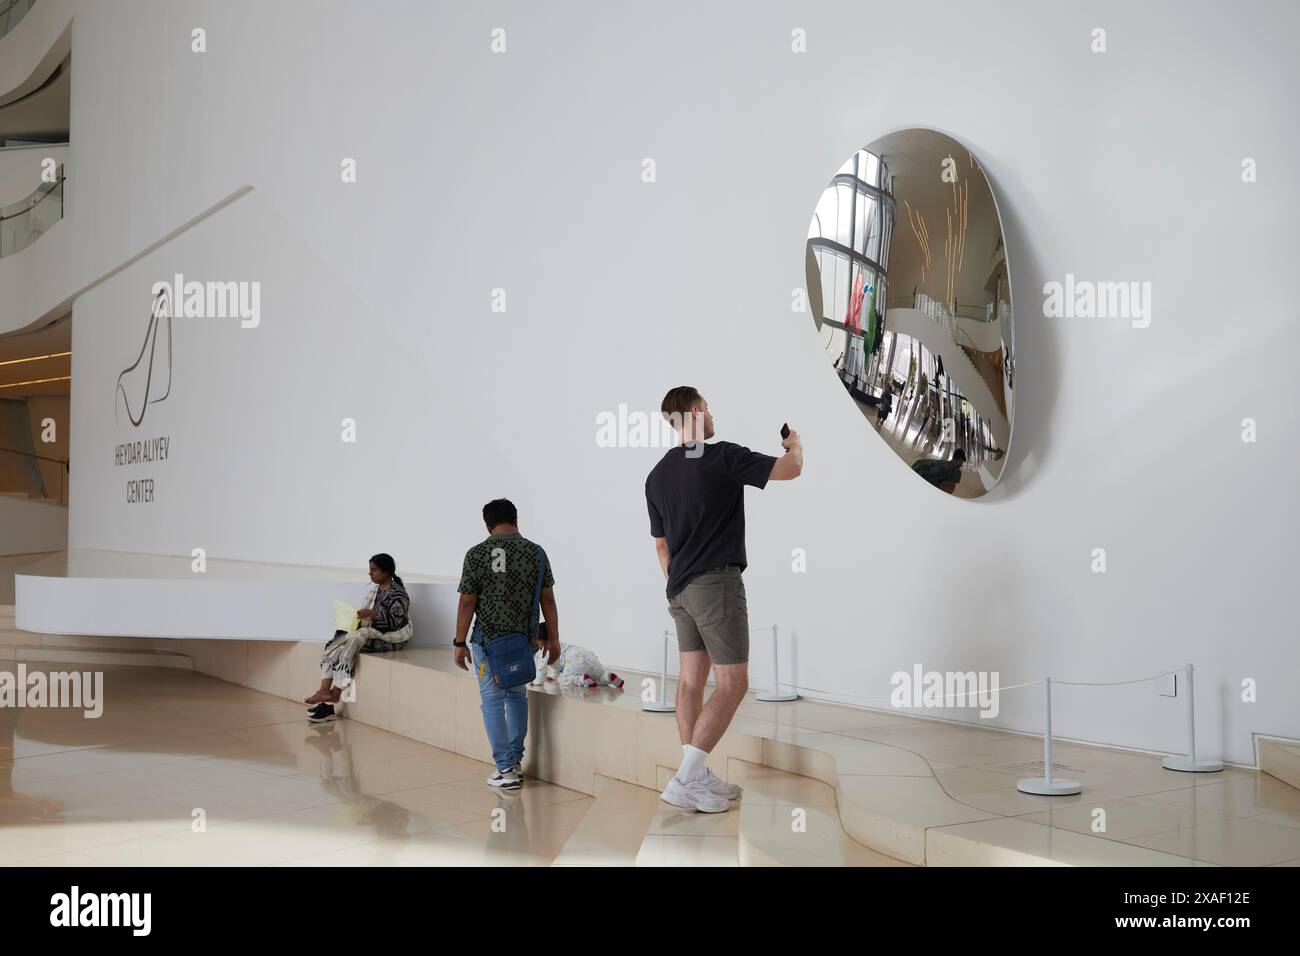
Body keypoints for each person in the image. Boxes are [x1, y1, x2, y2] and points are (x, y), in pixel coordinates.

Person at [645, 387, 803, 813]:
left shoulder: (656, 476)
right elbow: (791, 470)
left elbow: (662, 547)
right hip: (716, 585)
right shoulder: (721, 456)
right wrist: (794, 443)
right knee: (734, 683)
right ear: (695, 412)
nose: (712, 413)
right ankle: (686, 778)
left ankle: (693, 774)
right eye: (708, 407)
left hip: (678, 590)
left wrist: (679, 584)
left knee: (691, 682)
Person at [454, 498, 560, 790]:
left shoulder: (476, 555)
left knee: (492, 701)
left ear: (487, 525)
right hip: (524, 642)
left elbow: (467, 603)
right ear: (516, 520)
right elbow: (547, 600)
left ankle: (504, 768)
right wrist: (554, 638)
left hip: (487, 642)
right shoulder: (536, 554)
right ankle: (514, 761)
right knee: (516, 697)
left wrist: (459, 641)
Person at [305, 553, 412, 723]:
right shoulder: (374, 590)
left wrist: (372, 615)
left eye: (374, 570)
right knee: (336, 644)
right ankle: (325, 691)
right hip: (371, 633)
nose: (370, 574)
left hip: (391, 639)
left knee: (351, 642)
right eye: (370, 570)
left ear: (386, 572)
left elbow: (395, 624)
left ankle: (334, 696)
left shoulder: (398, 594)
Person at [529, 624, 625, 689]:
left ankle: (582, 680)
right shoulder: (559, 645)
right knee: (596, 675)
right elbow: (555, 664)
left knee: (564, 679)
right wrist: (553, 676)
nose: (538, 646)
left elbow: (542, 669)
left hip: (575, 660)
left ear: (542, 641)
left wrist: (537, 682)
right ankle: (607, 677)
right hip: (588, 656)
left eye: (538, 643)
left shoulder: (546, 650)